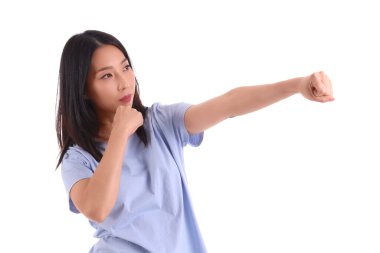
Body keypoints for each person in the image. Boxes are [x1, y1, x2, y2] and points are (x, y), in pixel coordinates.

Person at [56, 30, 334, 253]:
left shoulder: (160, 123)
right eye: (107, 75)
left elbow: (230, 103)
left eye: (126, 68)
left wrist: (297, 86)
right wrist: (119, 133)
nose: (124, 82)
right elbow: (97, 207)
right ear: (83, 91)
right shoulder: (77, 160)